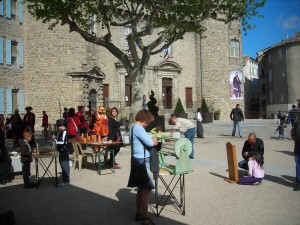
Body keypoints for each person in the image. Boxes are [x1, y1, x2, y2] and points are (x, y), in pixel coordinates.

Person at [127, 110, 158, 225]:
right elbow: (150, 143)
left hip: (137, 159)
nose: (148, 124)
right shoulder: (139, 128)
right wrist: (154, 140)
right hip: (141, 160)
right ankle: (145, 218)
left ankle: (139, 213)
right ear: (144, 120)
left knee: (141, 188)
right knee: (146, 189)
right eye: (148, 122)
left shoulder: (133, 127)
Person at [52, 119, 70, 187]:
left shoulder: (64, 132)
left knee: (65, 166)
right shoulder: (61, 132)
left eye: (58, 125)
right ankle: (65, 179)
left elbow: (63, 142)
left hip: (64, 151)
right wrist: (56, 138)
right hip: (61, 151)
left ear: (62, 125)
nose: (58, 127)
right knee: (63, 166)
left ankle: (66, 181)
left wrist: (55, 140)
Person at [0, 115, 12, 184]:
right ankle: (2, 178)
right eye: (2, 119)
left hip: (3, 147)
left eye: (3, 119)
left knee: (7, 161)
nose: (3, 120)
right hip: (0, 147)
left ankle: (4, 177)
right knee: (3, 162)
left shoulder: (2, 127)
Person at [291, 101, 300, 191]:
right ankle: (298, 183)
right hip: (298, 144)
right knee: (298, 165)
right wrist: (294, 139)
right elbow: (293, 130)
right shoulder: (298, 117)